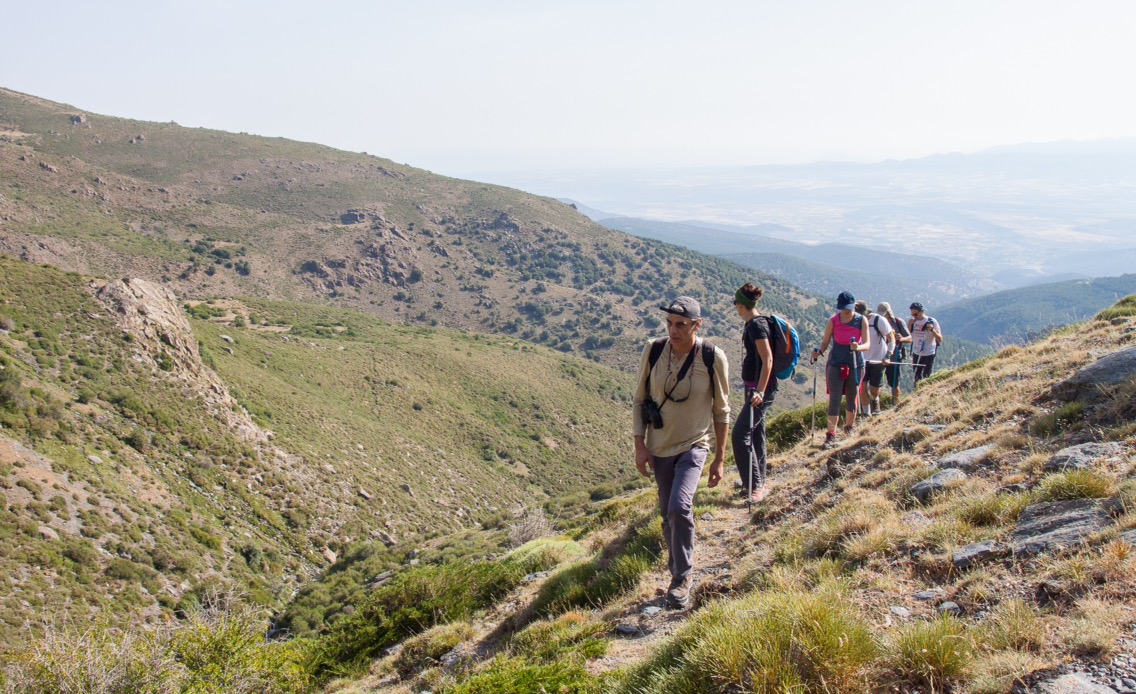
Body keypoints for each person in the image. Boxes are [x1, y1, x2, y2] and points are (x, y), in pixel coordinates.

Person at [633, 296, 730, 609]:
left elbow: (721, 411)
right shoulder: (654, 349)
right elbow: (639, 399)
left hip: (694, 445)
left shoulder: (712, 357)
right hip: (659, 447)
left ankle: (682, 577)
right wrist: (639, 445)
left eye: (681, 325)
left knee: (679, 506)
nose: (673, 330)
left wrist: (720, 459)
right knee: (667, 515)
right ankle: (676, 563)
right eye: (669, 323)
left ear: (697, 325)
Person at [731, 283, 776, 504]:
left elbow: (768, 359)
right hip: (754, 388)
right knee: (757, 433)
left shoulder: (757, 326)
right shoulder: (756, 323)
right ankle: (758, 480)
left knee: (740, 435)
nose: (735, 307)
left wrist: (760, 391)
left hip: (760, 390)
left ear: (741, 305)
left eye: (735, 303)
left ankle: (755, 486)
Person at [810, 291, 870, 448]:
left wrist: (858, 347)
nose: (846, 311)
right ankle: (831, 435)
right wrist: (818, 352)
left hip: (855, 364)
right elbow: (825, 342)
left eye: (848, 308)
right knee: (835, 398)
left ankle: (849, 428)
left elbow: (867, 344)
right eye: (843, 308)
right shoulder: (833, 321)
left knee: (852, 397)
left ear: (854, 306)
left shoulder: (861, 320)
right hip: (836, 364)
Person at [860, 302, 895, 416]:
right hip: (862, 359)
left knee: (874, 389)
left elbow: (891, 339)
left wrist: (888, 356)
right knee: (862, 386)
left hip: (878, 359)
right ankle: (867, 414)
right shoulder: (856, 321)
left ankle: (875, 401)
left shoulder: (879, 320)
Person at [878, 302, 911, 404]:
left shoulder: (898, 322)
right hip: (879, 356)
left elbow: (910, 338)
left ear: (889, 312)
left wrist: (901, 339)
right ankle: (878, 403)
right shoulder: (878, 322)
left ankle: (895, 403)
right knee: (877, 382)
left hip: (894, 356)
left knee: (894, 382)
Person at [908, 302, 943, 385]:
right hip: (916, 352)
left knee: (926, 375)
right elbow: (908, 336)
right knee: (916, 375)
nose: (914, 317)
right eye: (912, 315)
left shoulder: (932, 321)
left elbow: (940, 339)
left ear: (922, 311)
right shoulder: (913, 322)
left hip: (929, 352)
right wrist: (909, 325)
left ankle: (926, 389)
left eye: (916, 314)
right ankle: (917, 389)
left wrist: (932, 330)